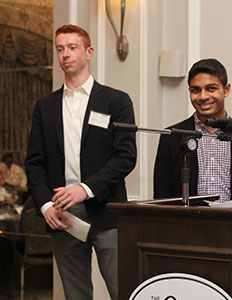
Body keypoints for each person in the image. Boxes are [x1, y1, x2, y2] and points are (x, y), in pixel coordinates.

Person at [25, 24, 136, 300]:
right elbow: (34, 162)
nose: (65, 54)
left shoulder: (116, 101)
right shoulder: (45, 106)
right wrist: (45, 204)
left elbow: (125, 157)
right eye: (60, 49)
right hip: (62, 215)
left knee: (123, 290)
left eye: (72, 48)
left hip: (106, 209)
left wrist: (85, 188)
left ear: (89, 52)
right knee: (76, 295)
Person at [154, 58, 232, 202]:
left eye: (211, 88)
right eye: (196, 90)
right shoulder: (172, 136)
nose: (203, 96)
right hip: (188, 222)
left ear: (226, 90)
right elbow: (161, 196)